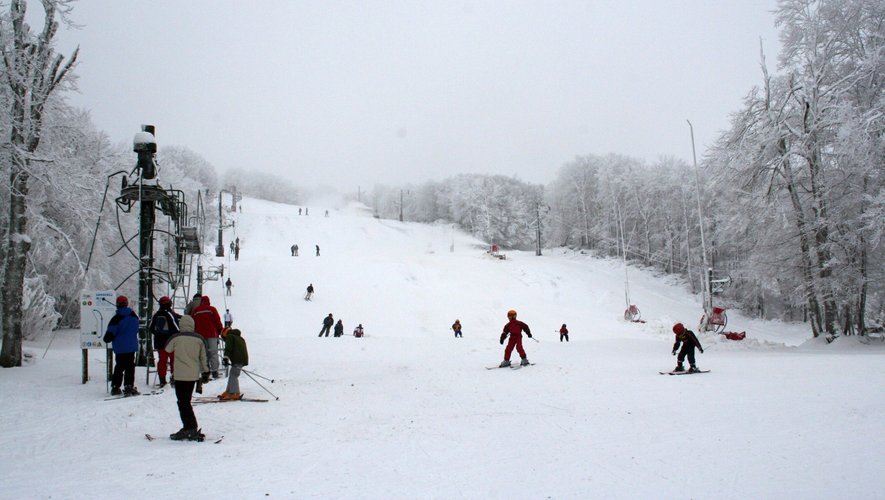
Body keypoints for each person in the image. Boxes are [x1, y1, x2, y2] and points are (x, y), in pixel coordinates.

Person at [164, 314, 209, 441]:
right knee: (186, 402)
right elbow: (203, 357)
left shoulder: (176, 338)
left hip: (180, 375)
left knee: (182, 403)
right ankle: (189, 427)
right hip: (193, 376)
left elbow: (167, 349)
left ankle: (190, 428)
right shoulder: (199, 339)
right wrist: (205, 372)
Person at [104, 295, 141, 396]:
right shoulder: (134, 316)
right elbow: (136, 329)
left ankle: (115, 387)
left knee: (119, 366)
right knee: (130, 366)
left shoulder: (116, 319)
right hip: (131, 346)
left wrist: (107, 338)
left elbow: (110, 334)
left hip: (120, 347)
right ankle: (129, 386)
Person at [149, 296, 180, 388]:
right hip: (171, 342)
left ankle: (162, 379)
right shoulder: (169, 314)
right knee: (174, 360)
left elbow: (151, 328)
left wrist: (159, 335)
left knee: (162, 361)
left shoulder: (156, 314)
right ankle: (174, 377)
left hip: (159, 342)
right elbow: (176, 328)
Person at [192, 296, 224, 378]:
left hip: (200, 336)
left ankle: (204, 371)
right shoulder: (212, 309)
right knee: (213, 353)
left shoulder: (196, 311)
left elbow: (193, 322)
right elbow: (217, 320)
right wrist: (220, 330)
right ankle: (214, 371)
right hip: (212, 334)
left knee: (203, 354)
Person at [218, 327, 248, 401]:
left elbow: (228, 348)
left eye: (223, 337)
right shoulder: (239, 337)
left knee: (234, 375)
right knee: (232, 374)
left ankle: (235, 393)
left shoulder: (230, 337)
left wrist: (225, 358)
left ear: (224, 333)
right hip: (241, 359)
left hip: (238, 359)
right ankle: (229, 391)